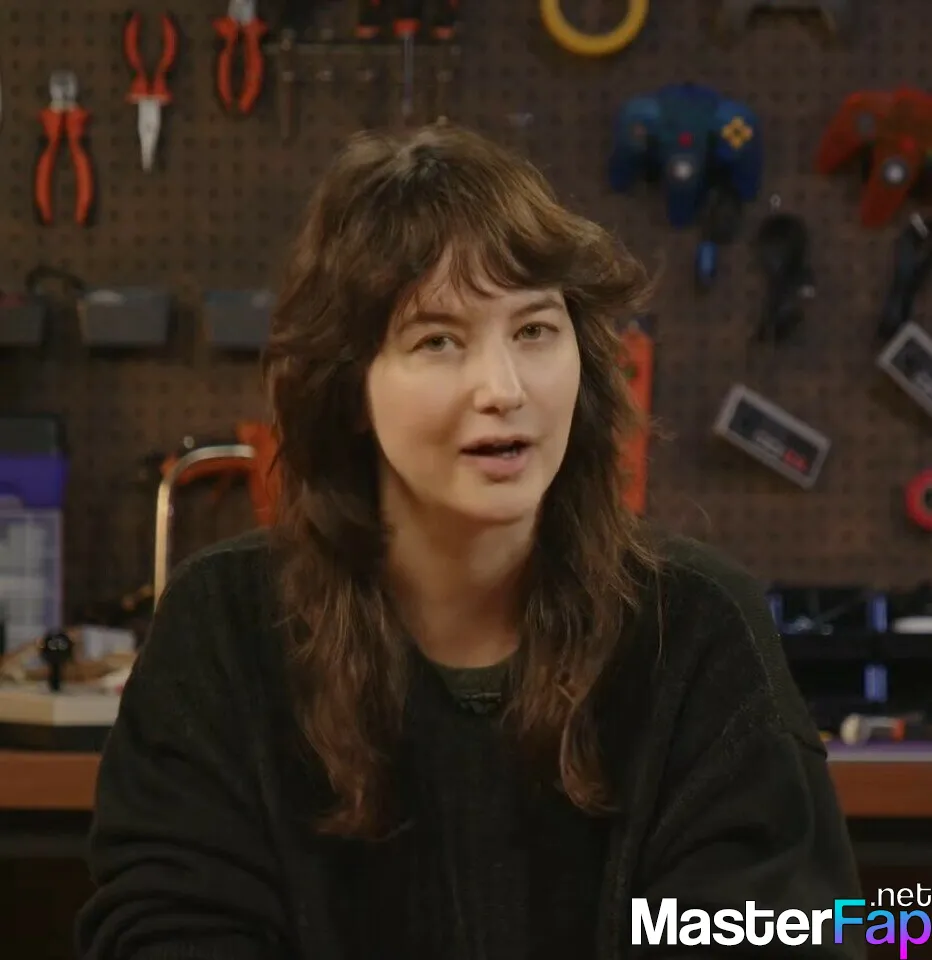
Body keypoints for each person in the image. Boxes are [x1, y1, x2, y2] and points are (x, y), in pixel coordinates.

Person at [76, 124, 864, 960]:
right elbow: (165, 931)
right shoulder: (224, 629)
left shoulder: (699, 628)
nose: (503, 388)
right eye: (438, 340)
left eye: (534, 330)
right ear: (350, 387)